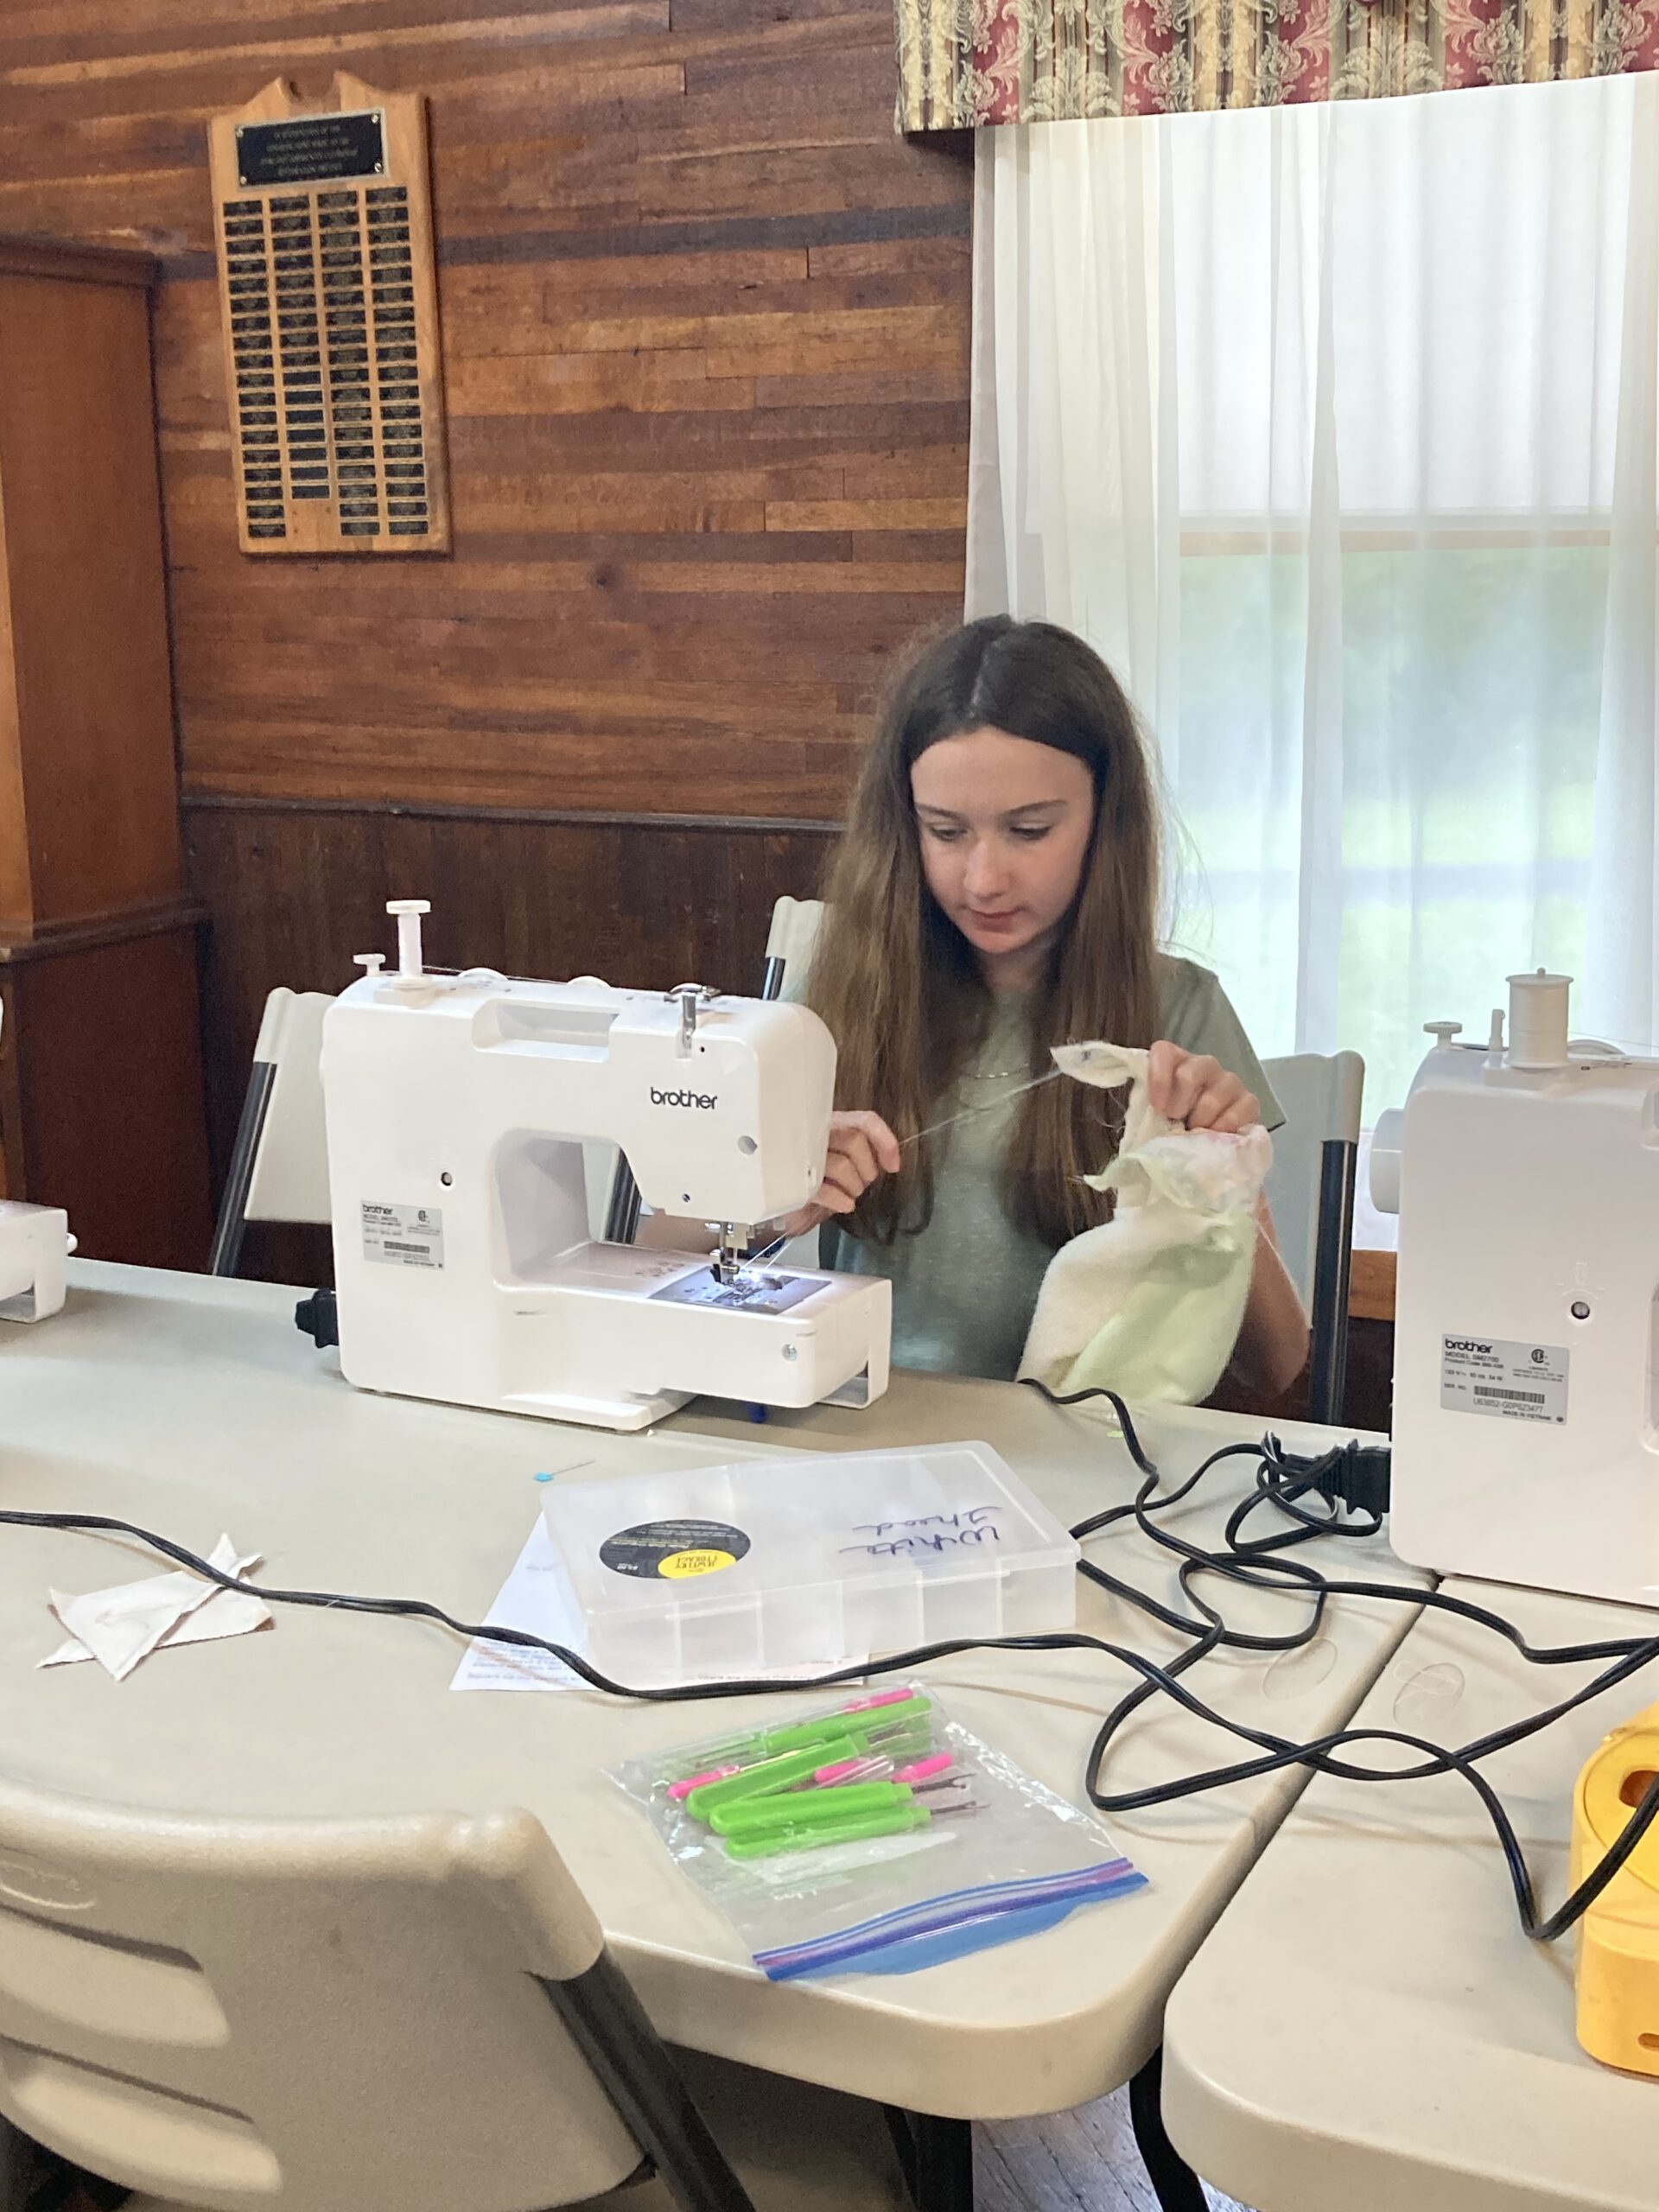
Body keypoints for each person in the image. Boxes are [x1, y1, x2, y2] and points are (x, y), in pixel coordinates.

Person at [776, 615, 1310, 1400]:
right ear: (905, 826)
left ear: (1104, 820)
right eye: (946, 832)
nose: (984, 879)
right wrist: (767, 1203)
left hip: (1088, 1451)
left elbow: (1278, 1361)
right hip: (880, 1438)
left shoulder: (1180, 1011)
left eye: (1030, 831)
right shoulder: (838, 1003)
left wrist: (1224, 1181)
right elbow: (666, 1254)